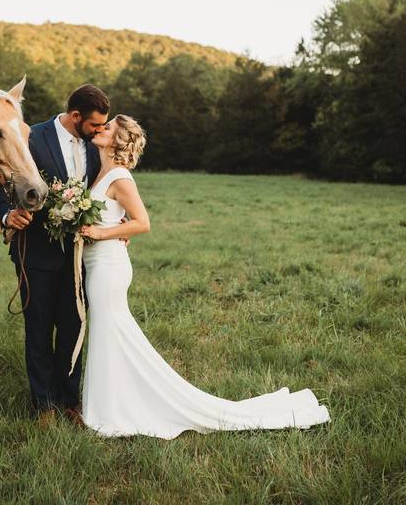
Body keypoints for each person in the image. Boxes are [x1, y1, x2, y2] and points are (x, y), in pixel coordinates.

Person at [78, 115, 331, 438]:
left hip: (109, 267)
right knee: (110, 334)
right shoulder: (100, 171)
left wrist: (102, 233)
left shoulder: (120, 177)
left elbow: (143, 223)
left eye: (109, 126)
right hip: (99, 264)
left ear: (118, 140)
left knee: (110, 332)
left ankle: (113, 412)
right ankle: (111, 405)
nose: (101, 128)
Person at [0, 84, 109, 423]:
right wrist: (7, 216)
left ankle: (69, 400)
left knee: (73, 328)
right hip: (36, 255)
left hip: (79, 258)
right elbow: (0, 184)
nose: (100, 131)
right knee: (39, 330)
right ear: (75, 117)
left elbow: (106, 188)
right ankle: (42, 405)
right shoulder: (31, 136)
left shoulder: (95, 147)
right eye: (94, 125)